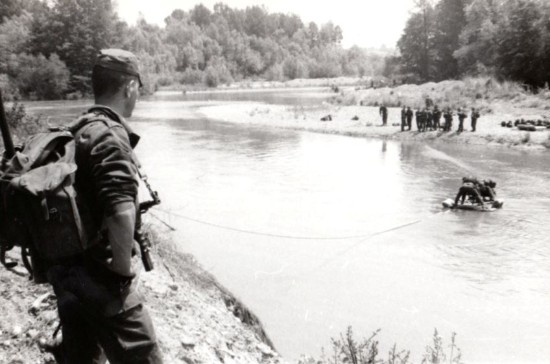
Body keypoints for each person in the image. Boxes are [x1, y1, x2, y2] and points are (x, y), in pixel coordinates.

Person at [47, 49, 163, 363]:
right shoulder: (111, 136)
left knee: (82, 355)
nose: (138, 94)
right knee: (144, 355)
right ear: (129, 87)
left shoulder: (78, 129)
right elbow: (120, 210)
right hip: (101, 278)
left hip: (68, 274)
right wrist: (123, 270)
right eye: (138, 86)